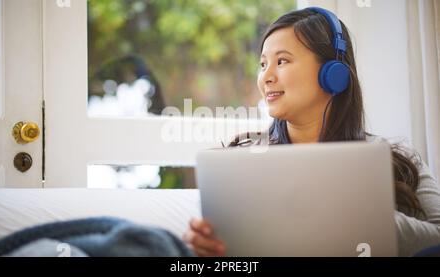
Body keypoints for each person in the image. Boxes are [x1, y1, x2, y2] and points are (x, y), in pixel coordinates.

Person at [182, 7, 440, 257]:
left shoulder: (398, 161)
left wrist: (370, 220)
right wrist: (203, 249)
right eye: (262, 64)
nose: (265, 77)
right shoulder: (240, 163)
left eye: (281, 61)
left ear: (333, 73)